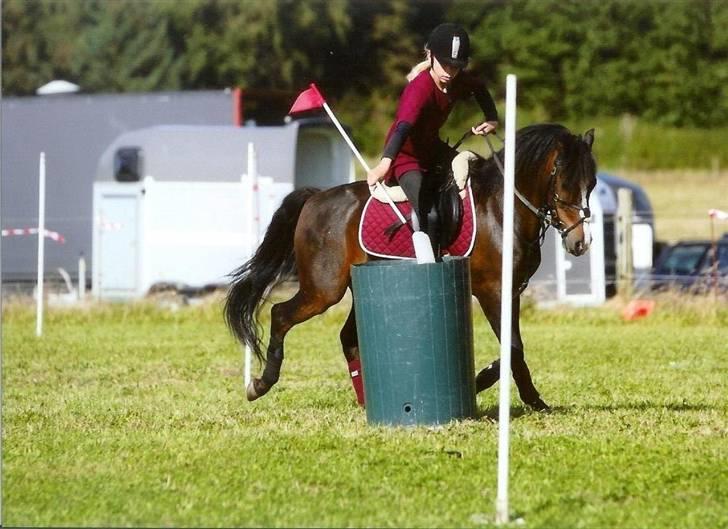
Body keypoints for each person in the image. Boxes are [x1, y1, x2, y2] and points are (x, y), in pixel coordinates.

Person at [366, 23, 499, 253]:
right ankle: (430, 266)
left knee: (478, 173)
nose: (449, 71)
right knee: (430, 212)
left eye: (456, 67)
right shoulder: (419, 89)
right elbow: (403, 127)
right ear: (430, 55)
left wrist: (492, 119)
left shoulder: (457, 80)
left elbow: (479, 88)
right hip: (406, 156)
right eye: (445, 64)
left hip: (431, 149)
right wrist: (384, 163)